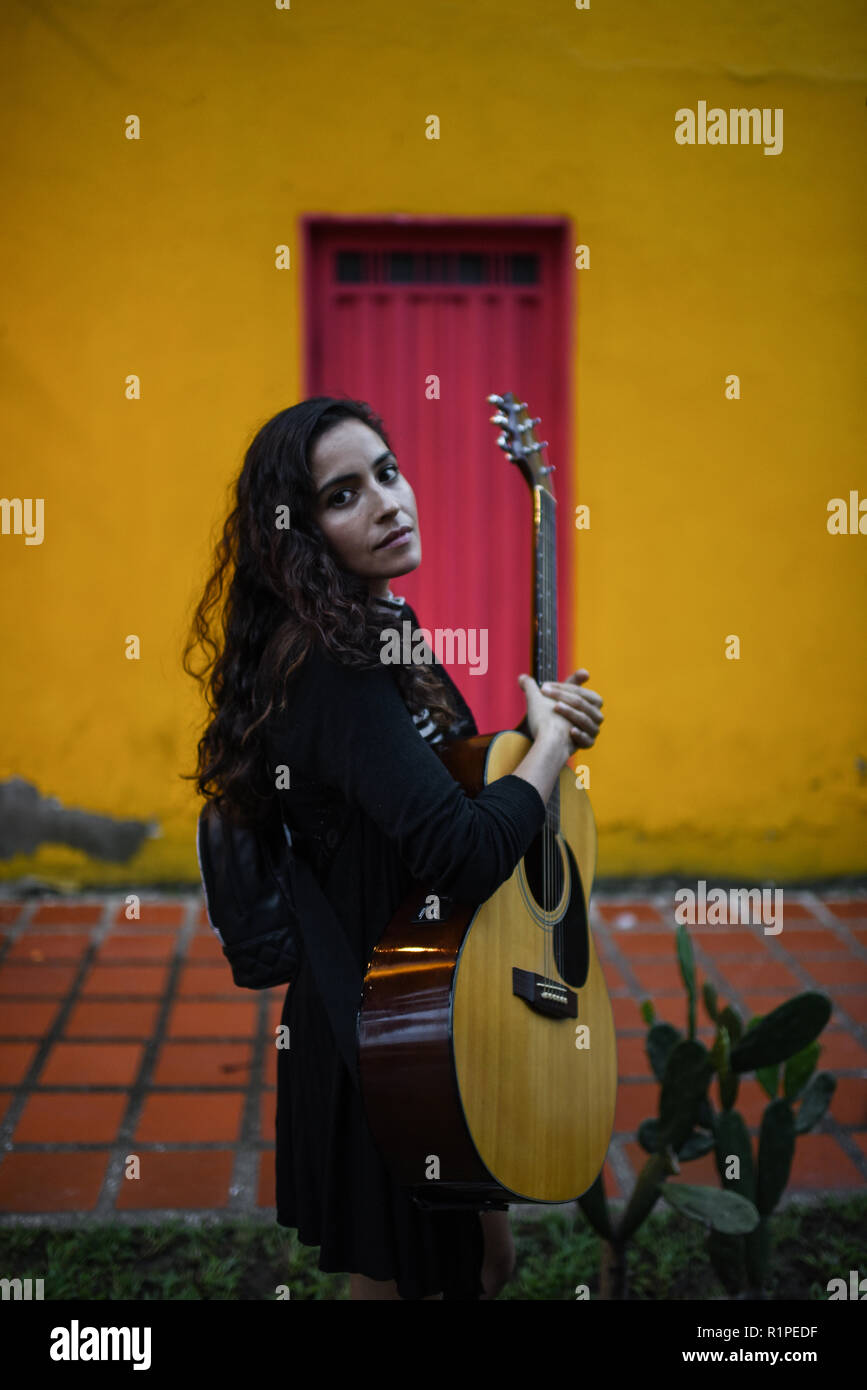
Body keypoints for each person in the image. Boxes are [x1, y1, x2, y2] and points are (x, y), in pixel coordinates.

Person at [183, 396, 604, 1300]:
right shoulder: (334, 662)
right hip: (382, 1028)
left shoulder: (376, 631)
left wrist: (537, 736)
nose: (385, 502)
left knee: (481, 1263)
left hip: (430, 1002)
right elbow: (461, 849)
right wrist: (549, 750)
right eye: (343, 495)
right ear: (299, 536)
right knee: (415, 1279)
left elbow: (430, 793)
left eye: (386, 471)